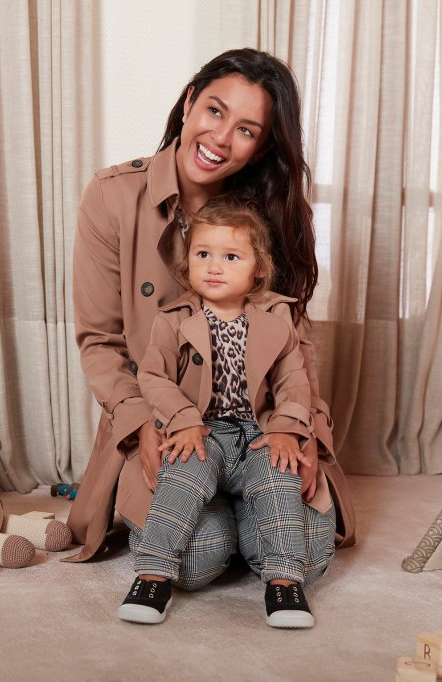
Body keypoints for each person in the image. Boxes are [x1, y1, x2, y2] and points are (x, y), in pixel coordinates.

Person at [66, 48, 356, 595]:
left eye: (246, 129)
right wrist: (141, 428)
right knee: (195, 559)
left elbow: (296, 350)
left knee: (309, 556)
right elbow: (100, 343)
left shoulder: (269, 208)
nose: (222, 138)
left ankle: (260, 518)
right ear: (189, 102)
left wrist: (305, 430)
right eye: (216, 111)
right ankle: (245, 526)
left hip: (262, 429)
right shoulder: (112, 196)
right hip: (165, 426)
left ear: (261, 148)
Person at [119, 198, 317, 627]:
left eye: (231, 257)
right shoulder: (172, 320)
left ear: (257, 268)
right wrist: (184, 420)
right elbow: (154, 378)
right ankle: (153, 573)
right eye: (203, 254)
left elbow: (293, 379)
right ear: (187, 260)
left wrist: (286, 429)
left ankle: (284, 581)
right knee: (183, 468)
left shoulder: (277, 315)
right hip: (202, 428)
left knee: (279, 471)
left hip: (258, 430)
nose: (214, 266)